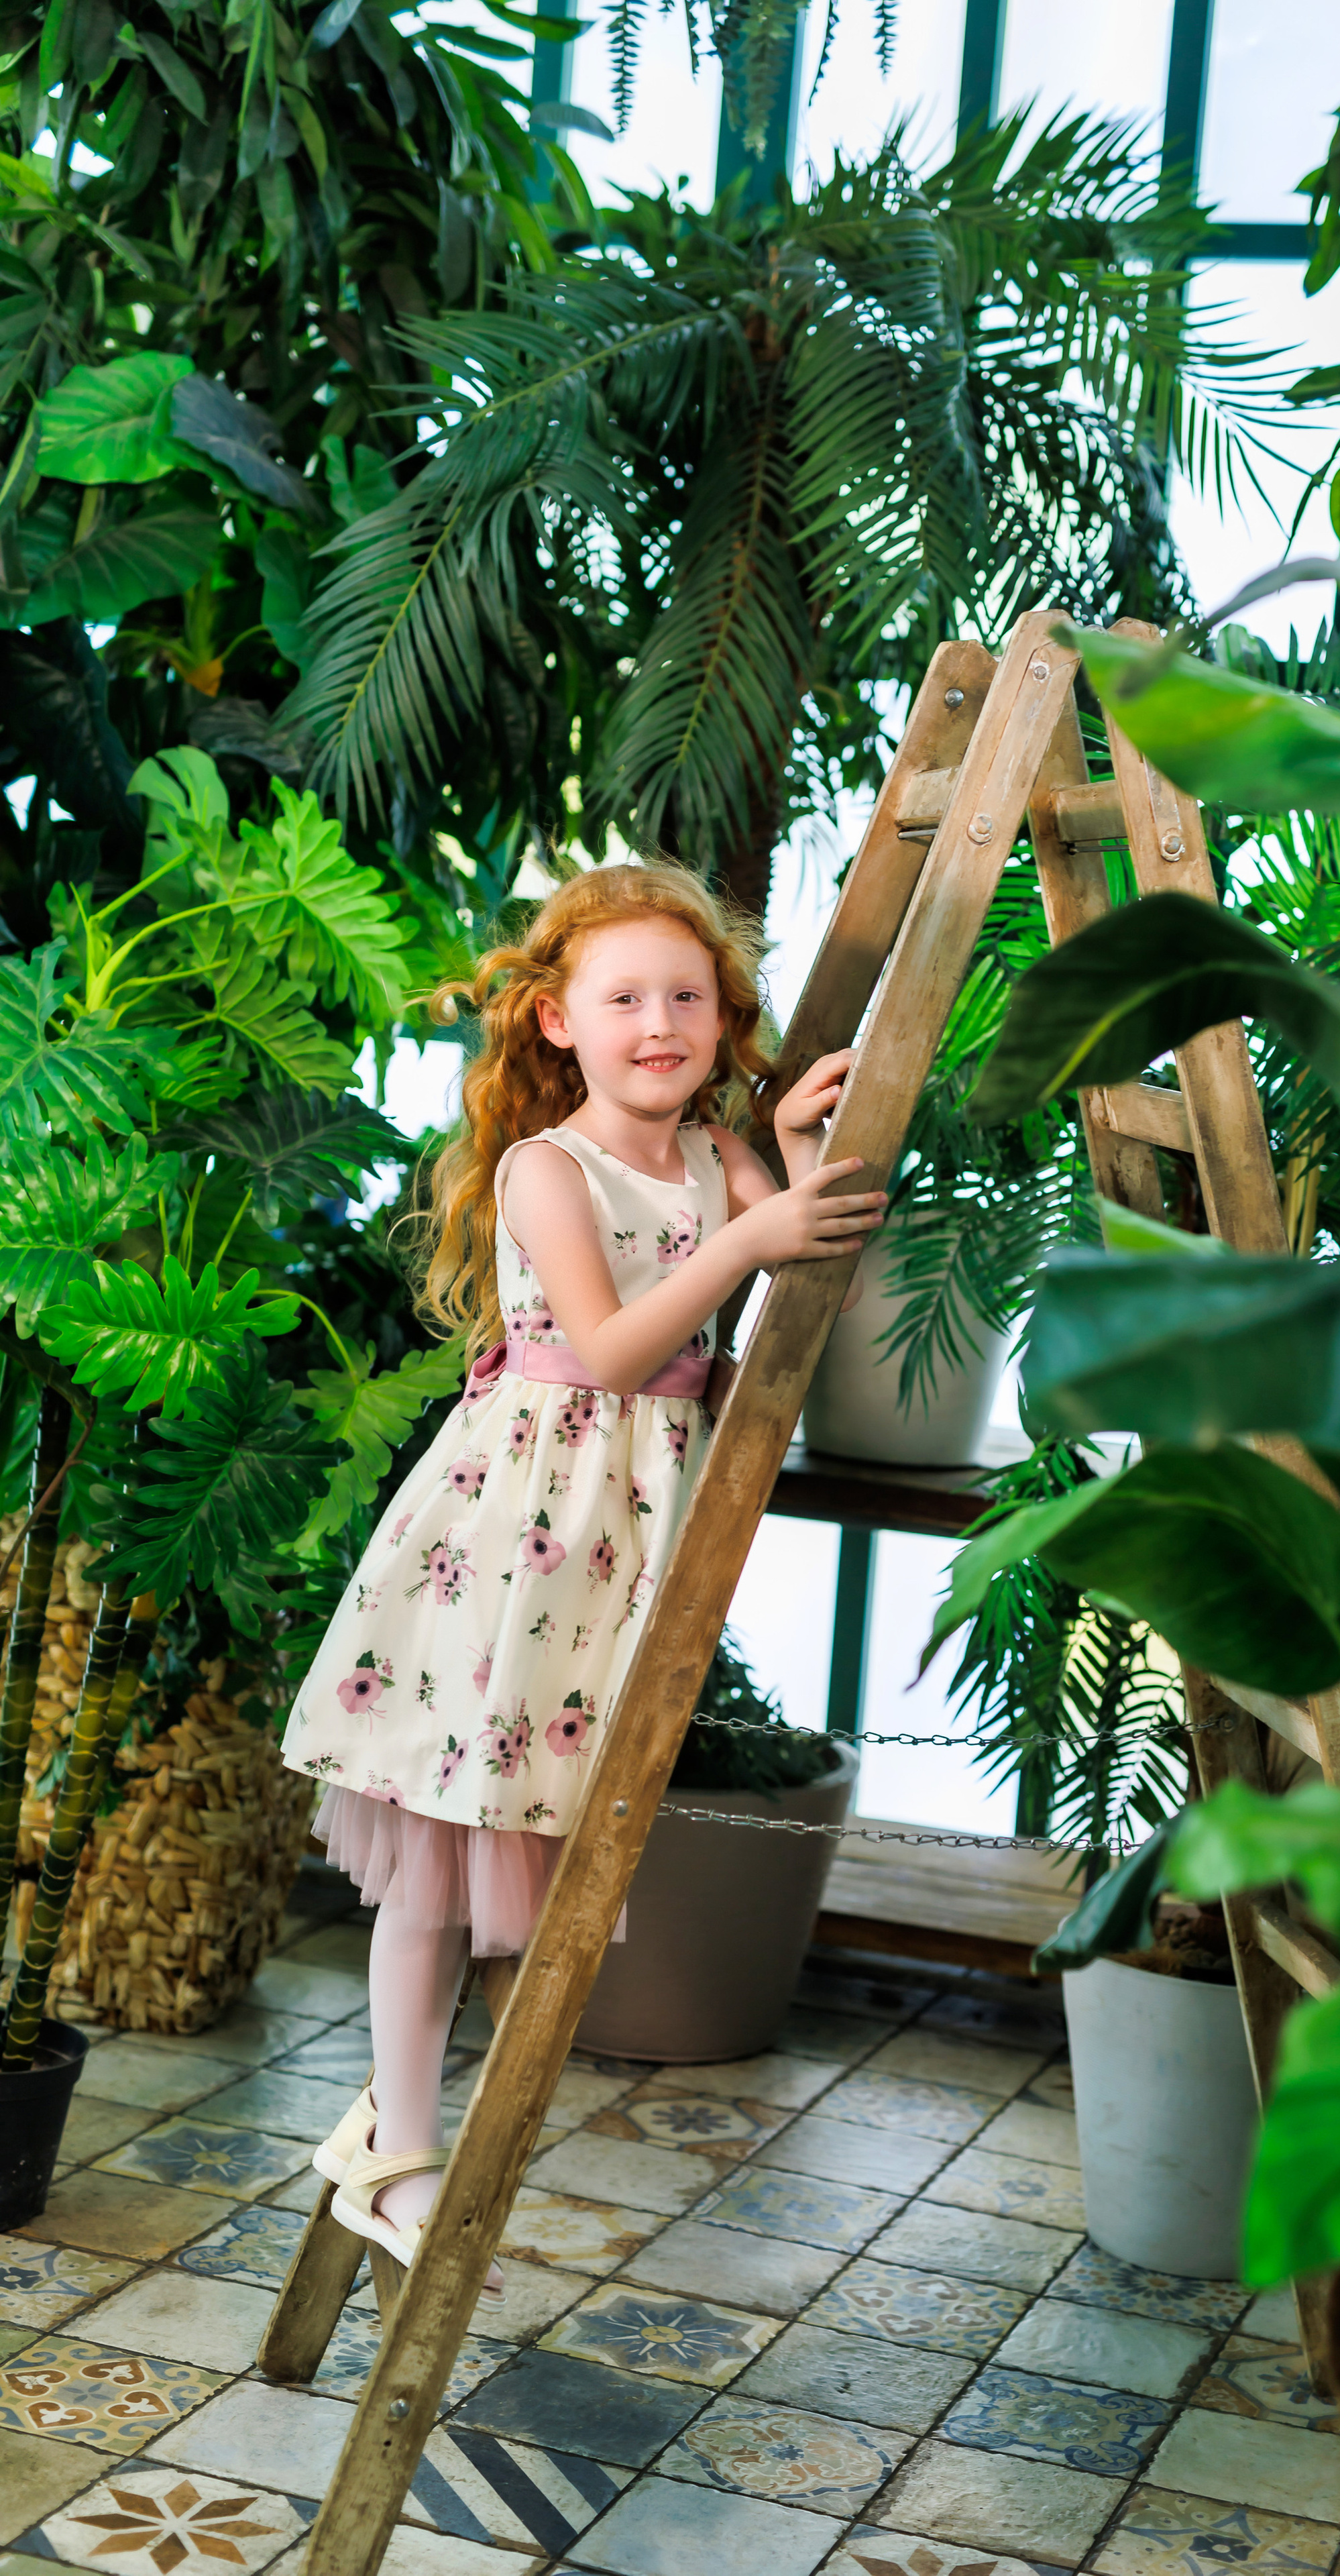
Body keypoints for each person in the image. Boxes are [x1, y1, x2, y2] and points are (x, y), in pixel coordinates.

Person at [278, 862, 885, 2292]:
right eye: (624, 999)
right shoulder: (549, 1167)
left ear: (721, 1019)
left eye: (687, 997)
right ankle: (404, 2146)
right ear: (558, 1022)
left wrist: (789, 1168)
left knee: (537, 1850)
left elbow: (816, 1294)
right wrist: (748, 1230)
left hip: (625, 1545)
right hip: (516, 1535)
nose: (658, 1023)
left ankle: (444, 2132)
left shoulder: (718, 1157)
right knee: (445, 1850)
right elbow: (610, 1352)